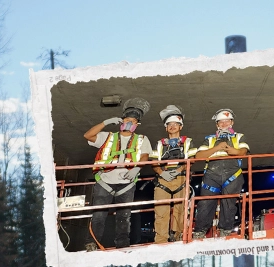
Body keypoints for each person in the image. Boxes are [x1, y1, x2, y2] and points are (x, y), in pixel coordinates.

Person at [83, 98, 153, 250]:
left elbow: (145, 156)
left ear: (137, 125)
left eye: (133, 121)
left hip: (127, 183)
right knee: (99, 215)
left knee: (124, 217)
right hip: (105, 181)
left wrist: (136, 169)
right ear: (121, 121)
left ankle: (122, 245)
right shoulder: (108, 136)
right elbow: (88, 135)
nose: (129, 123)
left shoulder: (142, 139)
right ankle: (92, 243)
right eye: (127, 120)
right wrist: (106, 122)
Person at [192, 109, 250, 239]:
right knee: (205, 203)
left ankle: (226, 231)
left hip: (233, 174)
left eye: (227, 121)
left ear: (232, 123)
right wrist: (217, 148)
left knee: (229, 203)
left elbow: (243, 152)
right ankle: (200, 232)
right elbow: (199, 156)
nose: (224, 124)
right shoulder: (209, 139)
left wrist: (230, 149)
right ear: (217, 125)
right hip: (212, 174)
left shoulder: (239, 137)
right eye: (221, 122)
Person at [152, 105, 197, 243]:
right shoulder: (160, 144)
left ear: (180, 126)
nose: (172, 126)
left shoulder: (187, 142)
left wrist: (178, 170)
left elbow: (192, 159)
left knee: (180, 211)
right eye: (169, 124)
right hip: (162, 180)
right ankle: (161, 241)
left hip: (181, 178)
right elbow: (154, 162)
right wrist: (162, 173)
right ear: (166, 128)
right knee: (160, 212)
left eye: (175, 124)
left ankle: (178, 238)